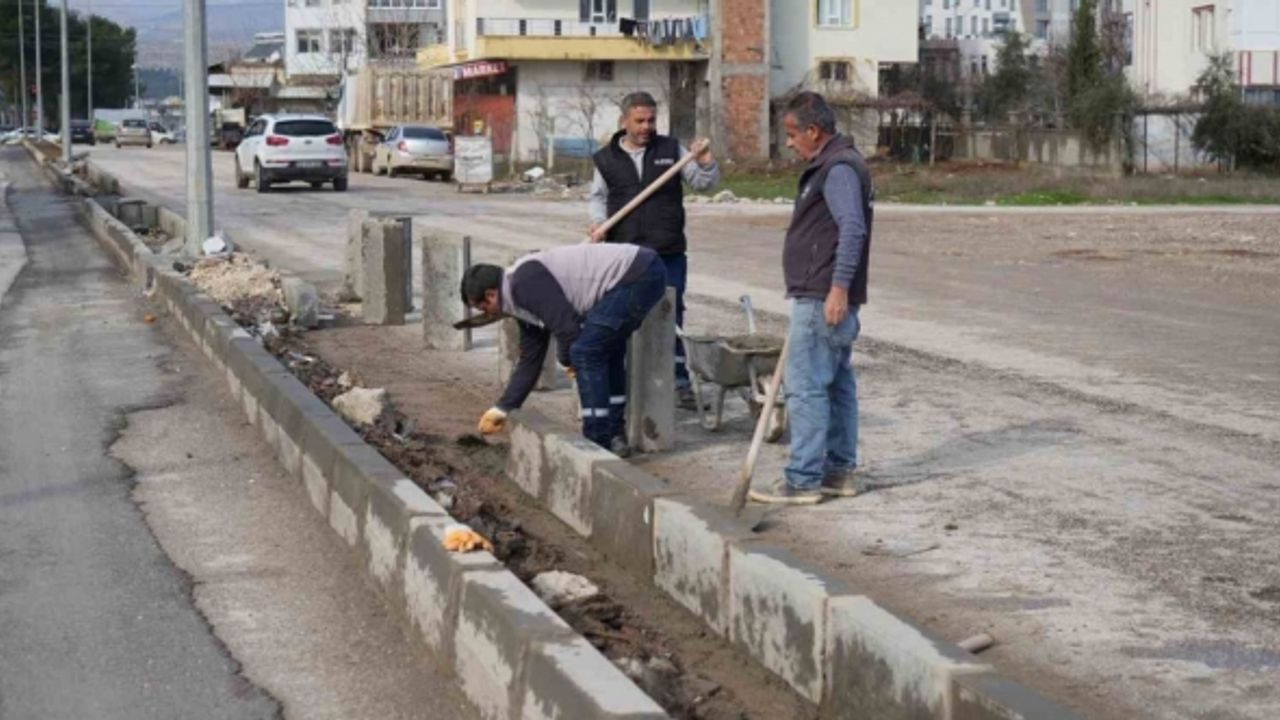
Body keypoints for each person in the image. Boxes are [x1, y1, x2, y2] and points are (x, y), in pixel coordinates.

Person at [750, 92, 873, 505]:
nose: (788, 143)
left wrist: (838, 288)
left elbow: (852, 229)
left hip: (823, 297)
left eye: (791, 134)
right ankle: (838, 472)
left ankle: (803, 479)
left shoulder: (837, 169)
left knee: (805, 387)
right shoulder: (835, 164)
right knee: (836, 385)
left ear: (813, 131)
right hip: (826, 294)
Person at [462, 243, 667, 455]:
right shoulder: (520, 299)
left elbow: (568, 330)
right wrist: (503, 407)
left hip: (636, 274)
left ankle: (596, 443)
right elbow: (530, 361)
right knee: (602, 348)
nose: (488, 314)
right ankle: (614, 435)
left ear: (491, 295)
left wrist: (568, 361)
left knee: (585, 352)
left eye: (483, 308)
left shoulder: (524, 283)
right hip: (637, 271)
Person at [588, 91, 719, 410]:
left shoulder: (671, 149)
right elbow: (597, 197)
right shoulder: (606, 159)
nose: (647, 127)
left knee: (670, 315)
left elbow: (704, 184)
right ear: (624, 122)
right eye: (640, 121)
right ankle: (628, 381)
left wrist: (706, 163)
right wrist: (598, 224)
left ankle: (678, 383)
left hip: (667, 250)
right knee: (624, 316)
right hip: (625, 254)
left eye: (651, 120)